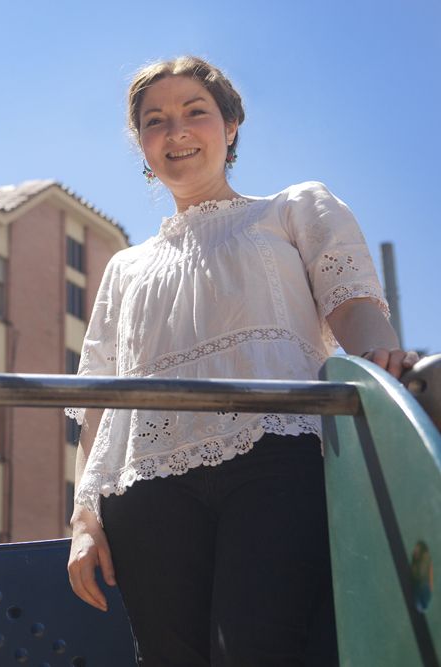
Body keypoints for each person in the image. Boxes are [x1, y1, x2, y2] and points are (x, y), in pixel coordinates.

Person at [66, 55, 419, 666]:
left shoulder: (292, 209)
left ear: (230, 126)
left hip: (279, 454)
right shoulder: (125, 267)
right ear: (142, 145)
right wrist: (82, 515)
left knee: (257, 648)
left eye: (194, 112)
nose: (175, 131)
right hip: (145, 484)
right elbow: (101, 400)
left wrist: (382, 364)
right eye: (155, 121)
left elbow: (354, 304)